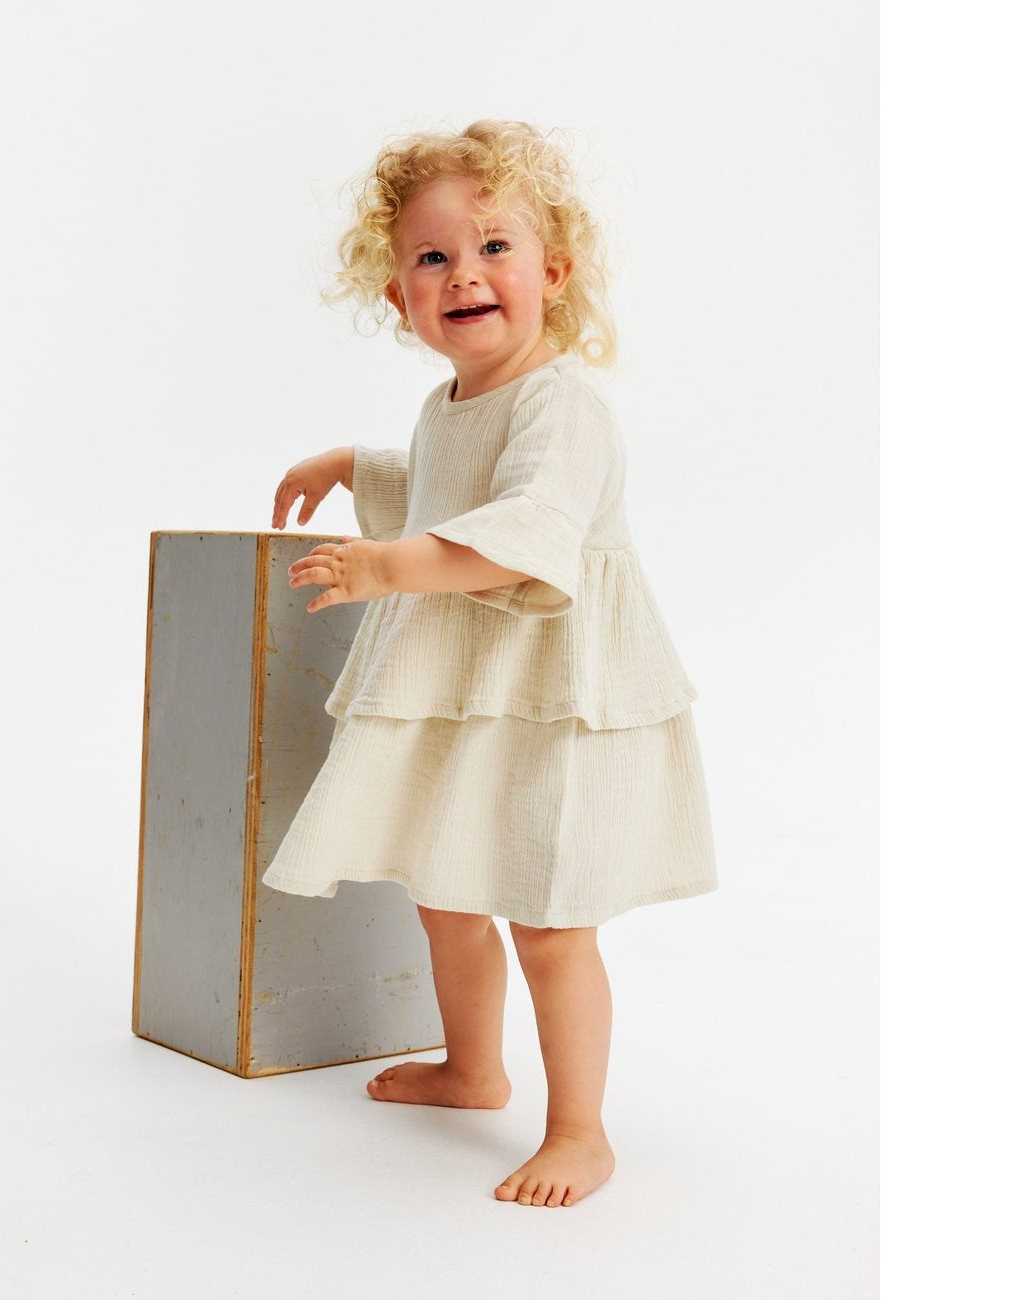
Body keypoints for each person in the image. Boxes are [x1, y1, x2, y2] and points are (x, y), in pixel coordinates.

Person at [263, 120, 717, 1209]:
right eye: (433, 258)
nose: (464, 274)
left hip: (554, 691)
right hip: (478, 691)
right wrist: (358, 464)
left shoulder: (565, 405)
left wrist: (385, 567)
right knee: (449, 893)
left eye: (494, 248)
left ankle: (580, 1132)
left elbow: (519, 529)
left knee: (550, 920)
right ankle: (473, 1069)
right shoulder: (449, 404)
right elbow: (448, 483)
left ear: (551, 273)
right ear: (400, 297)